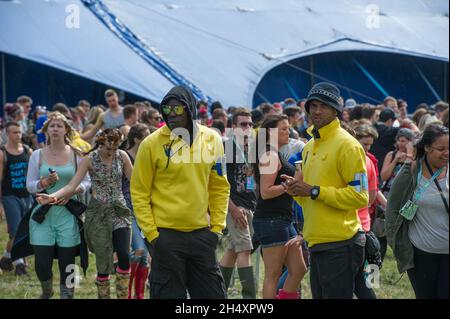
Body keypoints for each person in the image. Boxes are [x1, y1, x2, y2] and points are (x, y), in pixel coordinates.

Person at [130, 85, 230, 299]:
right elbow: (139, 192)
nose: (171, 114)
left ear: (190, 109)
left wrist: (217, 228)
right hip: (165, 236)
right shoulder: (151, 144)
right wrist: (152, 235)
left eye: (177, 109)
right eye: (166, 109)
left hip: (202, 234)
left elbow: (219, 187)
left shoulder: (212, 140)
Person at [283, 82, 369, 299]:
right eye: (313, 105)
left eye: (324, 106)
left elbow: (360, 197)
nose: (317, 111)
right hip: (317, 243)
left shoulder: (348, 145)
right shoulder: (310, 146)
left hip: (342, 243)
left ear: (336, 110)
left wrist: (312, 191)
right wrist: (297, 192)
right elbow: (312, 197)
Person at [36, 128, 133, 299]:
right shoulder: (89, 159)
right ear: (100, 143)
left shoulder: (122, 156)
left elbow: (137, 181)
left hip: (119, 211)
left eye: (115, 148)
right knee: (103, 263)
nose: (112, 152)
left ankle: (123, 296)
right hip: (98, 214)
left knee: (124, 255)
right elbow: (71, 186)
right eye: (108, 148)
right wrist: (51, 197)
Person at [26, 112, 91, 299]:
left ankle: (67, 294)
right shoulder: (36, 155)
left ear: (66, 130)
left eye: (59, 126)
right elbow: (29, 185)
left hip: (68, 213)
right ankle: (47, 291)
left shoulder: (77, 155)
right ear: (46, 131)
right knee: (42, 264)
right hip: (43, 215)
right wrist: (43, 183)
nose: (55, 129)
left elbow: (87, 182)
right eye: (51, 126)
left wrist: (73, 190)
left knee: (68, 262)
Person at [386, 124, 448, 299]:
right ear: (427, 147)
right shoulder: (411, 172)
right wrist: (397, 245)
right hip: (421, 255)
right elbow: (393, 211)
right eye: (441, 149)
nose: (447, 153)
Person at [253, 114, 307, 299]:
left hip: (283, 219)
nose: (289, 132)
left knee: (299, 269)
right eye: (284, 129)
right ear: (270, 132)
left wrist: (293, 184)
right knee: (273, 275)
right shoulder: (269, 155)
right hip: (271, 220)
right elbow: (266, 192)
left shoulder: (275, 154)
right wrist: (289, 185)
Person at [219, 108, 257, 299]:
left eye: (250, 124)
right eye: (243, 124)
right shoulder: (225, 148)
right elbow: (217, 183)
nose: (248, 128)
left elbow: (250, 181)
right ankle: (249, 298)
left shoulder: (251, 147)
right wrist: (232, 208)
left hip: (249, 205)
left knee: (234, 249)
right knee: (245, 250)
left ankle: (218, 292)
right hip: (235, 207)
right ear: (233, 128)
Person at [121, 124, 151, 299]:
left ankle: (138, 295)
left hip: (146, 209)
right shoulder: (125, 157)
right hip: (128, 209)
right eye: (147, 135)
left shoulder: (147, 156)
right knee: (138, 250)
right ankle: (128, 294)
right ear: (137, 139)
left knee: (144, 255)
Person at [0, 122, 33, 276]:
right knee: (16, 231)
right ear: (7, 134)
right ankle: (20, 265)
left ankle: (6, 258)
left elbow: (34, 174)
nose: (18, 135)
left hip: (27, 195)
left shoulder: (28, 150)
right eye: (14, 132)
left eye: (19, 132)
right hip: (10, 196)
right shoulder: (3, 153)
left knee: (24, 230)